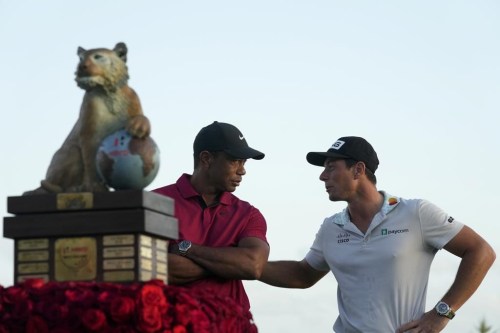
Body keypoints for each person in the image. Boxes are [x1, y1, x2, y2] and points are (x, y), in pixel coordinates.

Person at [258, 136, 496, 332]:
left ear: (358, 170)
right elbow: (303, 274)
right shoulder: (331, 227)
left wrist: (441, 314)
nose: (322, 176)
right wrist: (247, 266)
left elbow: (481, 252)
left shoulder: (416, 212)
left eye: (331, 168)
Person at [153, 121, 270, 312]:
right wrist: (229, 265)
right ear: (206, 159)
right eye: (234, 160)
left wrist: (186, 249)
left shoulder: (249, 214)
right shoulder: (155, 203)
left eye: (244, 162)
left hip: (232, 325)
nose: (242, 170)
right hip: (172, 324)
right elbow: (157, 269)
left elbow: (253, 265)